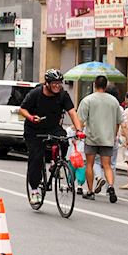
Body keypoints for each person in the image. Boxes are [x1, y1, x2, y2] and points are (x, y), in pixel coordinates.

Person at [18, 69, 83, 207]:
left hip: (53, 127)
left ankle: (56, 162)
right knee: (36, 157)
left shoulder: (63, 95)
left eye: (59, 83)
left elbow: (72, 112)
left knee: (64, 141)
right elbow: (22, 109)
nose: (57, 86)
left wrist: (79, 130)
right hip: (34, 129)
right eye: (54, 83)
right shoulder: (36, 93)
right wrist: (31, 117)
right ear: (47, 83)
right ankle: (34, 190)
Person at [78, 75, 122, 203]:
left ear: (94, 84)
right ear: (106, 85)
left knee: (90, 164)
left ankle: (90, 191)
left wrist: (78, 132)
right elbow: (118, 121)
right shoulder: (114, 101)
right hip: (108, 138)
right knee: (107, 165)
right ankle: (111, 187)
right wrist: (114, 135)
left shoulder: (88, 100)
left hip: (91, 137)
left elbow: (80, 120)